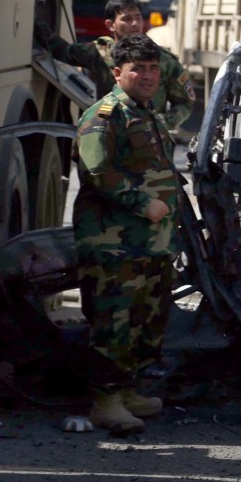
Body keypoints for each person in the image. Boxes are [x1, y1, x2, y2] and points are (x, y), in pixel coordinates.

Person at [75, 33, 181, 433]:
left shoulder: (146, 112)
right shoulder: (103, 115)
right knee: (113, 319)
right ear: (118, 73)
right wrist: (143, 204)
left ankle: (127, 389)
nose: (148, 75)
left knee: (145, 317)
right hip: (113, 242)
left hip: (148, 242)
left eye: (153, 68)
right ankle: (105, 400)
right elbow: (99, 173)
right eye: (138, 68)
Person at [36, 0, 195, 130]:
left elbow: (185, 103)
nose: (134, 24)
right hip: (109, 135)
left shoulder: (163, 59)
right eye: (127, 19)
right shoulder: (99, 52)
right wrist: (33, 21)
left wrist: (162, 123)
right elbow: (62, 50)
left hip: (149, 144)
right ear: (110, 25)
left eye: (138, 18)